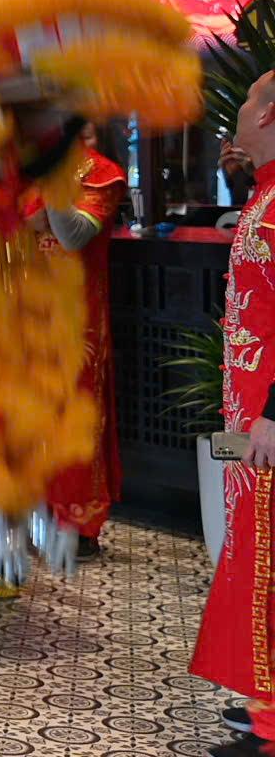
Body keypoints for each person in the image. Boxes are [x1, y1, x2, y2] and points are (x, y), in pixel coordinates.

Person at [193, 71, 275, 756]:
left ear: (272, 113)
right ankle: (264, 706)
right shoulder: (266, 193)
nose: (237, 114)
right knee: (254, 556)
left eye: (246, 102)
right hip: (247, 420)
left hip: (268, 423)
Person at [30, 121, 126, 559]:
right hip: (30, 317)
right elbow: (24, 222)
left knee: (77, 415)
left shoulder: (103, 173)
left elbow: (70, 233)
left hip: (79, 323)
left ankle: (79, 523)